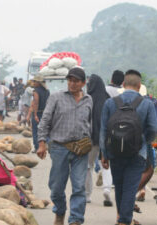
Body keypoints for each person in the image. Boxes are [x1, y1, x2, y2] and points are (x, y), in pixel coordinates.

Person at [100, 69, 157, 225]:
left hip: (114, 152)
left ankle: (122, 219)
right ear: (139, 86)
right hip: (137, 153)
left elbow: (104, 130)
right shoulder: (146, 104)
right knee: (130, 189)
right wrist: (144, 141)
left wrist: (104, 154)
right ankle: (124, 221)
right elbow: (154, 128)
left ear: (123, 84)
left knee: (119, 187)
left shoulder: (110, 103)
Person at [37, 67, 92, 225]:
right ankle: (60, 211)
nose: (72, 84)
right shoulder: (56, 97)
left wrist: (92, 143)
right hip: (59, 147)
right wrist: (42, 143)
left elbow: (90, 123)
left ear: (83, 83)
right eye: (70, 80)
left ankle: (75, 219)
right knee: (56, 187)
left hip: (81, 150)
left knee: (79, 186)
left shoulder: (89, 99)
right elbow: (45, 120)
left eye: (76, 81)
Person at [84, 74, 113, 206]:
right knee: (106, 164)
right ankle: (107, 189)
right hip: (106, 138)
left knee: (88, 166)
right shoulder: (108, 99)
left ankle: (87, 195)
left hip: (91, 138)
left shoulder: (87, 99)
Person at [29, 75, 50, 152]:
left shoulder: (36, 91)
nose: (33, 83)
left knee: (35, 131)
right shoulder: (47, 91)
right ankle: (49, 143)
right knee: (45, 130)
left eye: (34, 81)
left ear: (38, 83)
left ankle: (37, 147)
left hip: (38, 113)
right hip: (45, 113)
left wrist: (35, 115)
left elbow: (36, 103)